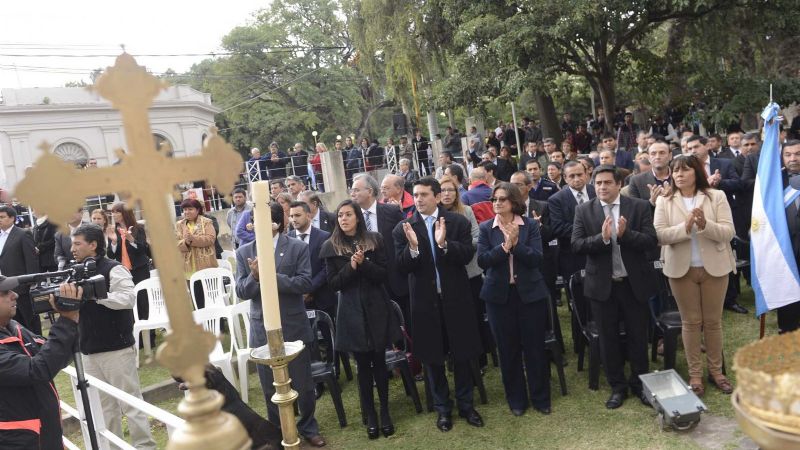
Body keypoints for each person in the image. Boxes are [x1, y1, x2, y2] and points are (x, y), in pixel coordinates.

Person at [393, 177, 484, 432]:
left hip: (456, 299)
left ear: (436, 196)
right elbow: (400, 267)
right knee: (433, 359)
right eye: (416, 195)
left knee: (463, 354)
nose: (418, 199)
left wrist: (444, 245)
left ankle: (466, 405)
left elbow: (467, 254)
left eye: (424, 195)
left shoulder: (457, 222)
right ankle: (443, 409)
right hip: (424, 303)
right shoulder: (404, 227)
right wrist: (413, 248)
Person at [235, 202, 326, 447]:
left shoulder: (296, 247)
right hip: (261, 327)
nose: (254, 226)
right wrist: (255, 277)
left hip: (293, 324)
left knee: (304, 384)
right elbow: (241, 291)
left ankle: (308, 426)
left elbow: (305, 282)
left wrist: (271, 276)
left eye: (260, 220)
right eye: (252, 221)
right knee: (269, 388)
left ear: (276, 222)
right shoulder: (244, 252)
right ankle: (280, 430)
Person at [572, 165, 659, 409]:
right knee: (608, 338)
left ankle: (640, 384)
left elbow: (651, 241)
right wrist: (603, 239)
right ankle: (617, 387)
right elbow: (576, 244)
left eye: (607, 183)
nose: (601, 187)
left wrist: (626, 235)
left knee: (638, 336)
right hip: (602, 286)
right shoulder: (583, 210)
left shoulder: (639, 206)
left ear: (619, 184)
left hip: (634, 284)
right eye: (598, 183)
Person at [654, 154, 737, 396]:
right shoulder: (665, 201)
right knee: (690, 323)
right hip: (681, 270)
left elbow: (728, 232)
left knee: (712, 322)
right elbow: (660, 235)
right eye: (675, 171)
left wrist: (705, 225)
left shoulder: (716, 196)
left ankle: (716, 371)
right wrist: (686, 227)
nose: (679, 175)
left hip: (715, 267)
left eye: (685, 170)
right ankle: (695, 374)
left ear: (696, 172)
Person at [69, 224, 157, 448]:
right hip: (88, 350)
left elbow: (128, 299)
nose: (72, 248)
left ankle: (145, 446)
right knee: (104, 408)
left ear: (93, 244)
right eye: (72, 243)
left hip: (116, 349)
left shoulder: (113, 268)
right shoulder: (74, 271)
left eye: (77, 243)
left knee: (131, 404)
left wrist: (98, 296)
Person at [319, 200, 401, 439]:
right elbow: (334, 284)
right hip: (351, 310)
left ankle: (385, 411)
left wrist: (364, 263)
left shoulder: (374, 239)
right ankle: (371, 415)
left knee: (379, 361)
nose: (343, 219)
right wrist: (352, 266)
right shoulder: (331, 246)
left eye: (348, 215)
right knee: (363, 367)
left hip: (377, 307)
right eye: (340, 215)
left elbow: (383, 275)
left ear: (357, 217)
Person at [479, 181, 552, 416]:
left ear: (513, 202)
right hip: (499, 298)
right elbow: (483, 261)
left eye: (502, 199)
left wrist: (517, 244)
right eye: (494, 200)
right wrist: (504, 247)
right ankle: (517, 400)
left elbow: (536, 259)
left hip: (530, 295)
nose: (497, 203)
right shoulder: (485, 228)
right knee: (507, 350)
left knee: (534, 348)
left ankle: (541, 398)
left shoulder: (529, 225)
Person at [0, 277, 79, 449]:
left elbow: (55, 357)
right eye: (5, 292)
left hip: (44, 437)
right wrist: (66, 321)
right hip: (19, 442)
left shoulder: (13, 327)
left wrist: (72, 318)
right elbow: (37, 370)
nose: (15, 295)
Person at [439, 175, 491, 368]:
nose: (446, 194)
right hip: (448, 275)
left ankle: (481, 359)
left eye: (450, 190)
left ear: (457, 192)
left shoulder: (466, 211)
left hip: (470, 271)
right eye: (442, 190)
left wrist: (459, 246)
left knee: (475, 316)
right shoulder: (434, 216)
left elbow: (477, 238)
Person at [350, 174, 410, 326]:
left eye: (357, 190)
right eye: (352, 190)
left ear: (369, 191)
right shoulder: (351, 218)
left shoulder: (392, 211)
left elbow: (406, 241)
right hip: (370, 281)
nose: (352, 194)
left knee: (405, 321)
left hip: (396, 279)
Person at [107, 202, 152, 341]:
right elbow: (112, 255)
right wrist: (114, 243)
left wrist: (132, 240)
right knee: (128, 301)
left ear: (125, 213)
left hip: (139, 269)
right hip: (124, 272)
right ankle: (134, 335)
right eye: (112, 212)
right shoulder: (114, 231)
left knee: (142, 300)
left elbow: (143, 250)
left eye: (117, 212)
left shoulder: (138, 228)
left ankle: (148, 336)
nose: (113, 215)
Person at [549, 161, 596, 290]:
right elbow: (558, 227)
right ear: (565, 178)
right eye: (572, 176)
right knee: (578, 297)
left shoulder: (597, 191)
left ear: (586, 174)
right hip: (573, 255)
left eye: (580, 174)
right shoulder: (556, 199)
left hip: (600, 253)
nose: (577, 179)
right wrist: (592, 229)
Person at [287, 201, 335, 318]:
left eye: (297, 215)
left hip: (322, 297)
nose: (294, 219)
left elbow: (326, 268)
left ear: (308, 216)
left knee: (327, 334)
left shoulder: (324, 237)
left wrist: (309, 289)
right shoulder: (287, 239)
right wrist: (299, 290)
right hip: (297, 299)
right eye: (291, 216)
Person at [0, 205, 40, 334]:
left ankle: (37, 346)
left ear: (12, 218)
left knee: (29, 321)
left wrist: (30, 284)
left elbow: (31, 260)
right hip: (4, 288)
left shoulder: (23, 234)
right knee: (12, 324)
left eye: (2, 217)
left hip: (22, 288)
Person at [775, 140, 800, 333]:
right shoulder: (774, 180)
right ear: (782, 157)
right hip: (785, 244)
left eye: (798, 154)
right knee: (787, 285)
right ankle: (788, 327)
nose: (793, 158)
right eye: (788, 154)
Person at [175, 199, 218, 308]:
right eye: (185, 209)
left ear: (198, 210)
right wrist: (186, 242)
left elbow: (210, 239)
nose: (187, 212)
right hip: (188, 268)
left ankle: (218, 322)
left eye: (190, 209)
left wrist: (193, 239)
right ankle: (202, 323)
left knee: (211, 297)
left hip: (206, 264)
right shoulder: (179, 224)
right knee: (197, 298)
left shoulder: (206, 222)